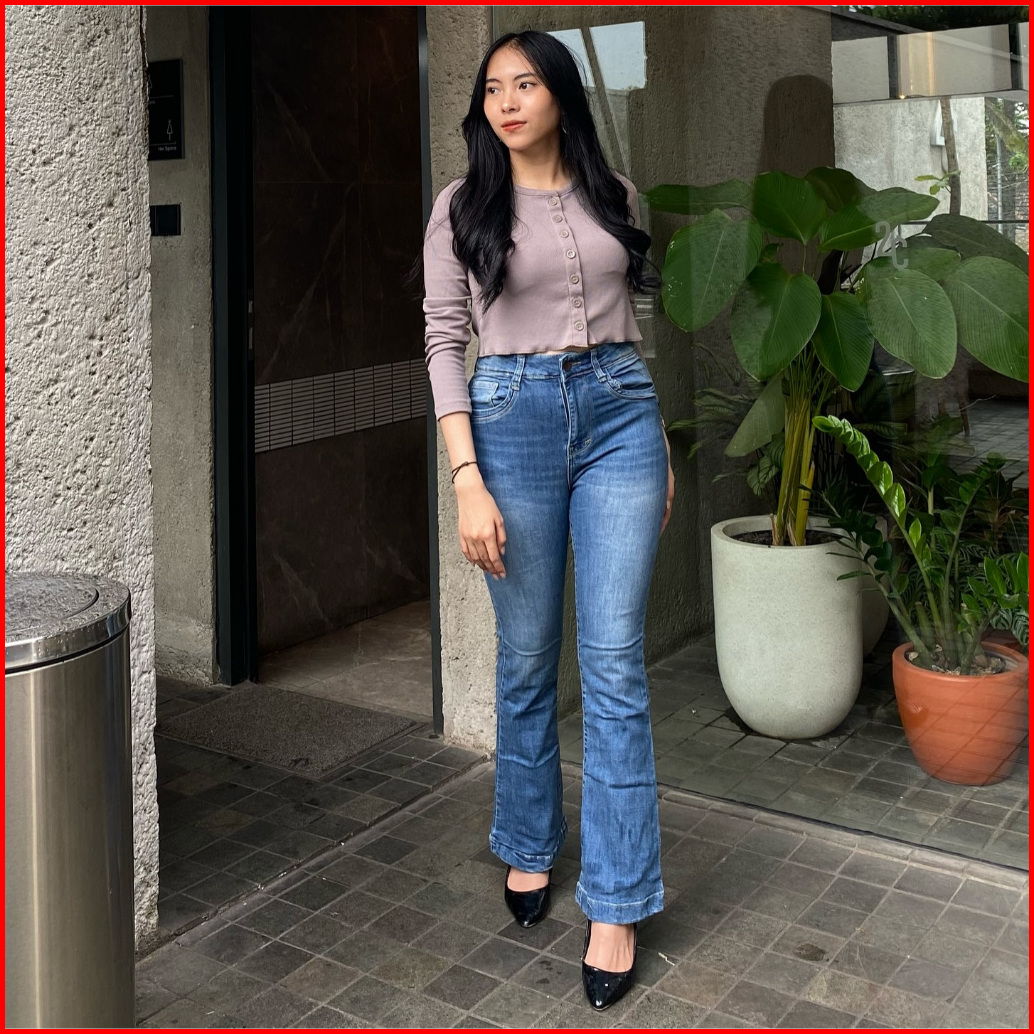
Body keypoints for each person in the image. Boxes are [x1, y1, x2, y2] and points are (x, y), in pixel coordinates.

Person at [421, 29, 674, 1012]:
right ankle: (528, 837)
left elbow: (635, 329)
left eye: (526, 83)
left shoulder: (617, 194)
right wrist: (465, 479)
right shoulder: (462, 207)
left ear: (561, 94)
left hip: (619, 416)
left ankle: (616, 900)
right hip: (508, 424)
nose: (507, 101)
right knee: (527, 656)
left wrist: (655, 448)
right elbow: (444, 340)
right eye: (493, 87)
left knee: (613, 663)